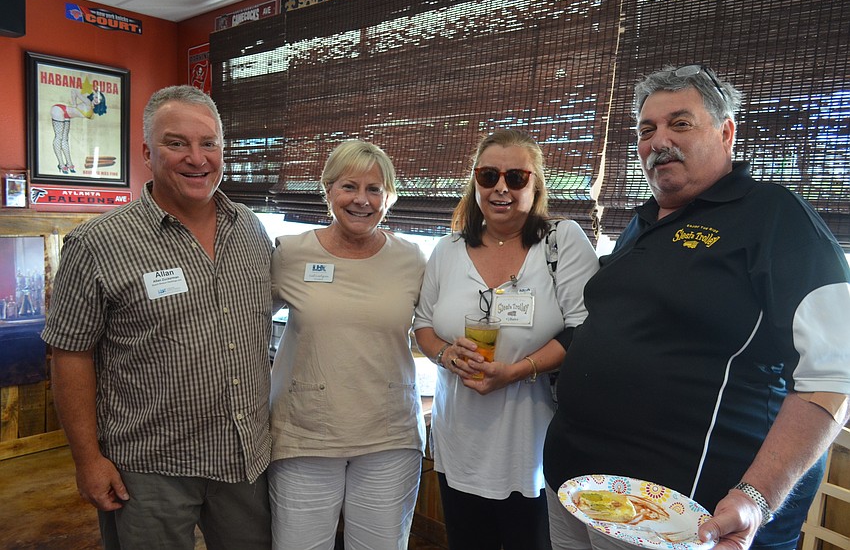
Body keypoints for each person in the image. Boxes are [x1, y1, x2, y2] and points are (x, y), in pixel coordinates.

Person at [543, 65, 850, 550]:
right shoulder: (644, 220)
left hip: (678, 514)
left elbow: (834, 376)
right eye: (647, 130)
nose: (658, 141)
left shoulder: (775, 218)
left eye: (679, 124)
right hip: (579, 487)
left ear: (726, 132)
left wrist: (756, 496)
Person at [41, 85, 274, 550]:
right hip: (149, 469)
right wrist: (87, 460)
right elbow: (69, 353)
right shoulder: (99, 243)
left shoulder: (249, 227)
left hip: (245, 459)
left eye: (208, 143)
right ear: (148, 153)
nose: (197, 157)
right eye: (176, 143)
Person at [413, 129, 599, 550]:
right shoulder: (447, 249)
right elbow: (422, 326)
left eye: (516, 177)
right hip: (458, 437)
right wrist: (445, 355)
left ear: (536, 186)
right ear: (474, 183)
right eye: (488, 176)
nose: (501, 187)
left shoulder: (561, 241)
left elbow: (585, 329)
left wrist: (516, 371)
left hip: (530, 441)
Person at [268, 139, 427, 550]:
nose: (362, 200)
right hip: (306, 434)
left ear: (389, 197)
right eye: (349, 187)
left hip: (388, 435)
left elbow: (433, 330)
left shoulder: (411, 259)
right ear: (328, 190)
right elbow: (242, 326)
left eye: (375, 189)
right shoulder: (290, 253)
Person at [50, 84, 107, 174]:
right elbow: (74, 90)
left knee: (65, 139)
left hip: (67, 115)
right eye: (96, 97)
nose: (97, 100)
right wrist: (74, 103)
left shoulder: (92, 107)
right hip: (59, 110)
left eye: (99, 99)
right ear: (93, 96)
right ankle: (61, 164)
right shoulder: (88, 102)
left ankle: (69, 163)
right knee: (59, 137)